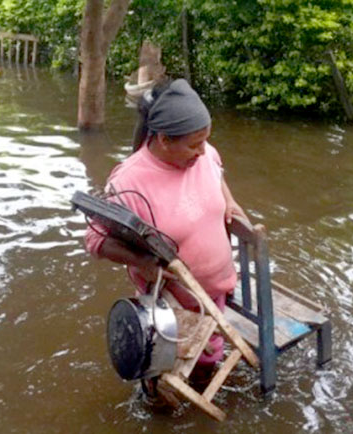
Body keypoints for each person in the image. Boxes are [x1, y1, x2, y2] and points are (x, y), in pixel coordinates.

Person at [84, 78, 248, 400]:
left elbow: (216, 171)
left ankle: (200, 384)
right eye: (194, 145)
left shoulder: (205, 154)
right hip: (171, 304)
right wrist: (141, 261)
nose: (203, 151)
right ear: (162, 139)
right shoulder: (130, 181)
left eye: (205, 140)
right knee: (164, 374)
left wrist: (228, 201)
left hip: (215, 291)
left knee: (206, 362)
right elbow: (95, 240)